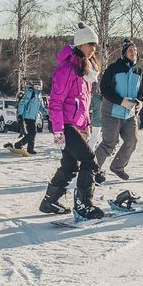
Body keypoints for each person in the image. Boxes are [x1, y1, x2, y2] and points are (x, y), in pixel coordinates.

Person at [39, 22, 104, 220]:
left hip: (77, 125)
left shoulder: (85, 71)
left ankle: (49, 201)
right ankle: (84, 205)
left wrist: (86, 124)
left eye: (95, 45)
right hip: (65, 125)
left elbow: (82, 103)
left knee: (69, 165)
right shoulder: (66, 69)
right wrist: (58, 131)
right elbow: (55, 102)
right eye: (90, 44)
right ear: (80, 45)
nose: (93, 49)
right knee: (89, 162)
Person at [94, 38, 143, 180]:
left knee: (133, 140)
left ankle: (118, 166)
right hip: (112, 112)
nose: (134, 53)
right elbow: (104, 89)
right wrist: (121, 101)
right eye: (131, 50)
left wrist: (141, 102)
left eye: (135, 50)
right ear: (124, 53)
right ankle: (91, 170)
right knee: (109, 144)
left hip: (130, 114)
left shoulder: (139, 70)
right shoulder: (114, 68)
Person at [7, 80, 46, 155]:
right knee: (32, 132)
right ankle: (18, 144)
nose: (37, 88)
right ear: (33, 86)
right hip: (27, 116)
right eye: (36, 86)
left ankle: (30, 149)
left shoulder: (39, 95)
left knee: (32, 133)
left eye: (39, 87)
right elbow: (22, 104)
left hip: (34, 117)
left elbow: (40, 107)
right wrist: (20, 114)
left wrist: (47, 114)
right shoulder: (30, 92)